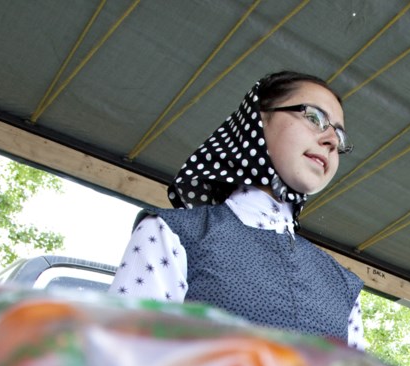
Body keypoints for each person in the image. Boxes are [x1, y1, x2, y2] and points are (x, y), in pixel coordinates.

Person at [108, 71, 365, 349]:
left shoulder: (343, 286)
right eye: (314, 118)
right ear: (257, 119)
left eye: (339, 135)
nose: (331, 140)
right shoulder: (173, 234)